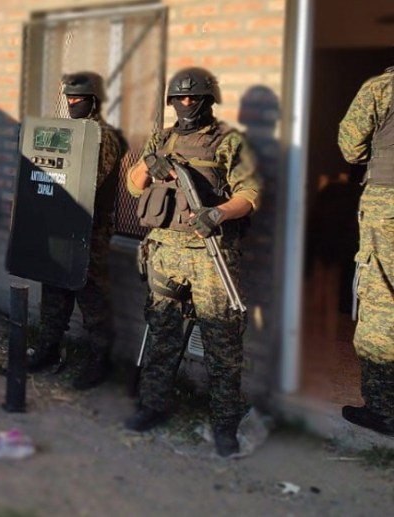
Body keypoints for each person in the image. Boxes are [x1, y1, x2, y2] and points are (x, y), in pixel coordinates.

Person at [123, 67, 261, 457]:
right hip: (165, 253)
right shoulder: (161, 138)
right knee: (162, 333)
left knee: (222, 343)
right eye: (179, 98)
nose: (186, 103)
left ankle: (224, 425)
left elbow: (250, 194)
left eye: (194, 98)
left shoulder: (229, 141)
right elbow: (133, 185)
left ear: (209, 100)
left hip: (210, 255)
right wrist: (150, 163)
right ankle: (153, 405)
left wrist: (218, 213)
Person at [26, 71, 127, 390]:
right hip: (61, 223)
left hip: (90, 229)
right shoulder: (67, 131)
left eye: (78, 99)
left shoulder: (102, 136)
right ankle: (48, 348)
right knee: (54, 288)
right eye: (68, 98)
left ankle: (100, 360)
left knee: (91, 294)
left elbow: (87, 181)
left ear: (93, 101)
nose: (72, 103)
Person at [337, 65, 394, 436]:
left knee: (381, 302)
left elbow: (351, 147)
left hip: (388, 204)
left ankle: (384, 411)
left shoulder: (382, 88)